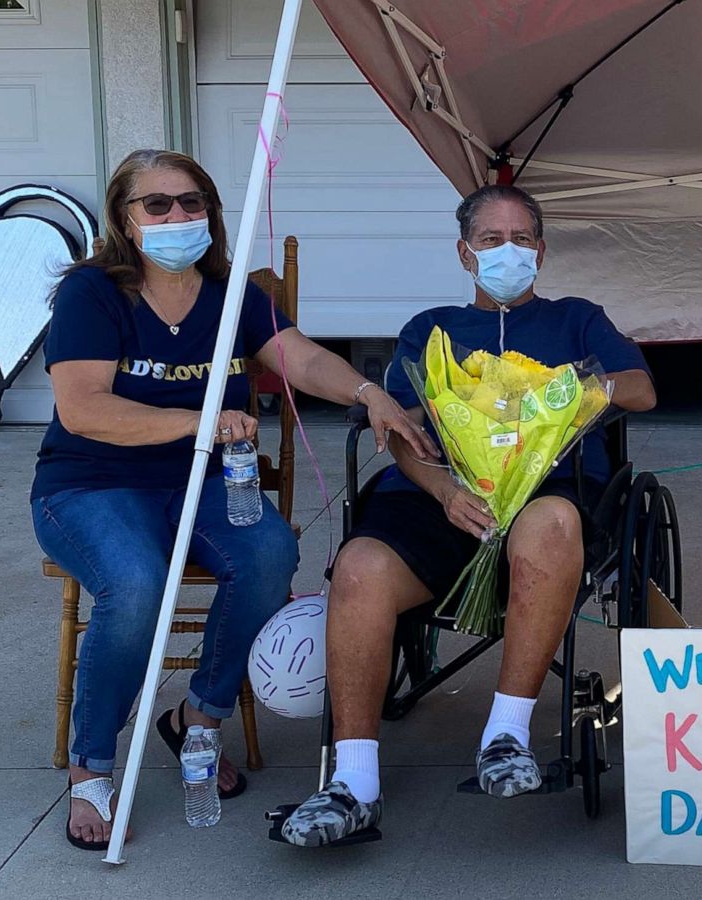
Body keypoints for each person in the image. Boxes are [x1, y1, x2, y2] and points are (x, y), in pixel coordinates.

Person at [31, 149, 433, 851]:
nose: (178, 217)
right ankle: (90, 764)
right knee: (134, 584)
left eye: (193, 203)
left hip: (205, 482)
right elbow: (85, 409)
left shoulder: (231, 295)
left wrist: (371, 393)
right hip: (92, 483)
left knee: (272, 553)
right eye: (157, 205)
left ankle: (200, 719)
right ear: (125, 218)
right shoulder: (93, 293)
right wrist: (202, 421)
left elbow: (299, 357)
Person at [280, 184, 655, 846]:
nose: (505, 252)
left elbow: (640, 388)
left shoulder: (577, 317)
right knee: (362, 568)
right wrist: (444, 490)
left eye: (519, 240)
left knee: (551, 525)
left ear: (540, 251)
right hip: (441, 499)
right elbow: (399, 429)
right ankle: (352, 783)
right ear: (464, 252)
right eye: (489, 240)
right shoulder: (432, 330)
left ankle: (505, 737)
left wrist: (553, 391)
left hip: (551, 489)